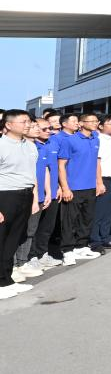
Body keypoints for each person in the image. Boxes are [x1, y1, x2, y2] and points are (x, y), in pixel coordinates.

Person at [0, 110, 41, 300]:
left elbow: (32, 175)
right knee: (1, 239)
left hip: (25, 195)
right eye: (23, 122)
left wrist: (34, 198)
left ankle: (7, 280)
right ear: (8, 125)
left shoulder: (30, 146)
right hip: (5, 196)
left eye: (28, 121)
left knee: (13, 239)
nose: (28, 125)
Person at [57, 112, 102, 264]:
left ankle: (81, 246)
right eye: (91, 121)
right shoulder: (70, 140)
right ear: (81, 123)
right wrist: (65, 188)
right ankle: (67, 250)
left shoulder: (96, 139)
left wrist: (99, 182)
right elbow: (61, 165)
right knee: (69, 221)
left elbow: (96, 163)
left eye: (96, 121)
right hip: (74, 187)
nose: (95, 123)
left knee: (87, 219)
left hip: (90, 186)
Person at [26, 117, 62, 270]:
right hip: (35, 195)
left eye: (50, 128)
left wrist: (57, 187)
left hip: (50, 193)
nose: (49, 131)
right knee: (31, 229)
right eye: (44, 129)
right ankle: (30, 257)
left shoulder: (50, 144)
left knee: (47, 227)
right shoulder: (30, 146)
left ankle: (42, 254)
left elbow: (49, 169)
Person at [13, 118, 47, 280]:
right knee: (14, 232)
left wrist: (38, 196)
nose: (34, 128)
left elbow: (35, 175)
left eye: (35, 125)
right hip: (14, 195)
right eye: (31, 125)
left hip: (33, 194)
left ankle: (22, 262)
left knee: (29, 231)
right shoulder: (11, 146)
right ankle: (12, 265)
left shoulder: (33, 147)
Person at [91, 114, 111, 253]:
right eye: (110, 123)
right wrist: (99, 182)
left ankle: (106, 238)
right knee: (99, 213)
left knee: (109, 212)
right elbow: (97, 162)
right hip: (104, 180)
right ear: (101, 126)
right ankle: (95, 241)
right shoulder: (100, 140)